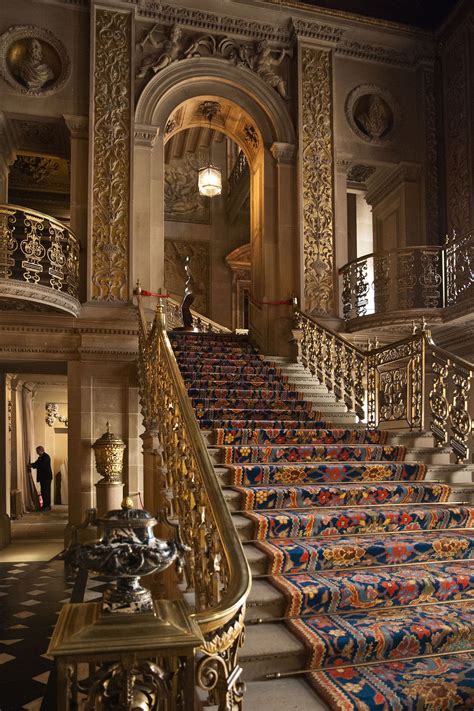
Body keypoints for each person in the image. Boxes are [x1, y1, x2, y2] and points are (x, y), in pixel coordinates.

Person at [28, 446, 53, 511]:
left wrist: (32, 466)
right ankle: (45, 505)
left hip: (46, 477)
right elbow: (37, 463)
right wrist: (31, 465)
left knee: (46, 491)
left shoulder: (46, 457)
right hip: (43, 478)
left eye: (37, 451)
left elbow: (41, 465)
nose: (36, 452)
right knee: (43, 491)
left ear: (40, 450)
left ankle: (47, 506)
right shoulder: (40, 457)